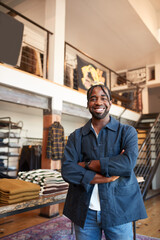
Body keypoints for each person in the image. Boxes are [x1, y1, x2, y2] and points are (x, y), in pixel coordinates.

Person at [62, 84, 147, 240]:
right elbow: (67, 170)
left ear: (110, 102)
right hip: (84, 211)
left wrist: (86, 164)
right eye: (93, 99)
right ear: (88, 104)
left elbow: (127, 165)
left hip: (119, 210)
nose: (98, 103)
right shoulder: (76, 136)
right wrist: (107, 177)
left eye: (103, 98)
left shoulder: (127, 132)